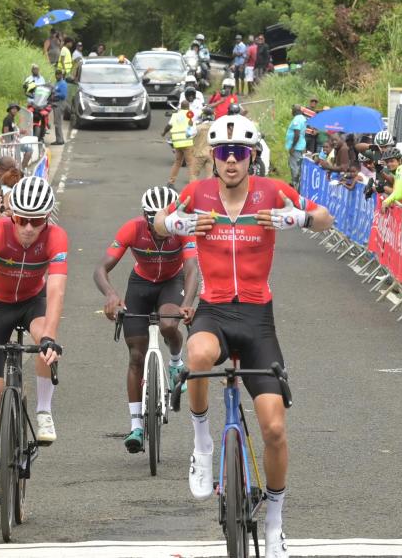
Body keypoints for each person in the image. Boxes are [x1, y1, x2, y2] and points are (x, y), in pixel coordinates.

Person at [153, 114, 334, 557]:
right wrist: (181, 226)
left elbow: (325, 218)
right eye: (222, 153)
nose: (231, 161)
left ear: (252, 157)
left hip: (256, 317)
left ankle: (274, 523)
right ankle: (202, 444)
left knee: (274, 428)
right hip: (214, 309)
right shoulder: (197, 193)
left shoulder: (272, 191)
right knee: (196, 355)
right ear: (213, 158)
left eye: (239, 153)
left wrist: (296, 219)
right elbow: (160, 221)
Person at [0, 176, 66, 503]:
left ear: (47, 218)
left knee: (43, 340)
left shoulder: (57, 237)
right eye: (22, 219)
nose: (29, 227)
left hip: (32, 303)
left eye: (37, 221)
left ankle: (44, 409)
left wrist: (49, 336)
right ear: (11, 215)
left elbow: (56, 290)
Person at [95, 186, 200, 452]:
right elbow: (101, 268)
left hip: (171, 282)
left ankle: (176, 362)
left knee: (168, 324)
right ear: (145, 216)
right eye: (154, 219)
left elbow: (190, 270)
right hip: (140, 283)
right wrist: (110, 294)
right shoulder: (132, 229)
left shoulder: (183, 229)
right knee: (136, 356)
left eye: (166, 217)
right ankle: (136, 426)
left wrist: (186, 304)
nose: (162, 226)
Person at [162, 99, 194, 188]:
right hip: (187, 142)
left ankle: (171, 182)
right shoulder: (190, 114)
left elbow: (169, 126)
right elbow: (192, 128)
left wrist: (164, 133)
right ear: (188, 107)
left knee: (177, 162)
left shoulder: (175, 115)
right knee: (190, 163)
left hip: (177, 143)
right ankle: (193, 183)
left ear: (181, 107)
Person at [285, 105, 307, 188]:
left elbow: (297, 134)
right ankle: (296, 184)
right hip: (301, 146)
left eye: (292, 110)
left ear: (294, 111)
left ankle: (296, 186)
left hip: (296, 148)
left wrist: (292, 147)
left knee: (294, 167)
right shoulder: (303, 118)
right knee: (298, 166)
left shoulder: (297, 119)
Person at [51, 70, 68, 146]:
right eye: (56, 74)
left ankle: (60, 140)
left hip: (60, 104)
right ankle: (59, 139)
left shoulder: (63, 83)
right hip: (55, 104)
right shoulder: (57, 83)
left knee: (58, 122)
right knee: (57, 122)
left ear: (61, 75)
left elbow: (63, 95)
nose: (57, 76)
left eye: (58, 74)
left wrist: (55, 94)